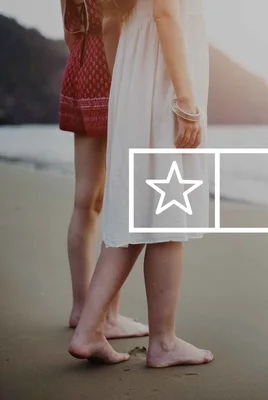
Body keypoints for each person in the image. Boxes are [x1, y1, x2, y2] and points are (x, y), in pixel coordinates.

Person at [69, 0, 214, 367]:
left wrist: (129, 88)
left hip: (138, 83)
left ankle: (88, 331)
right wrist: (184, 102)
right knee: (166, 213)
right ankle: (163, 342)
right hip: (162, 88)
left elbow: (109, 27)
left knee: (139, 211)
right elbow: (166, 14)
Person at [59, 0, 148, 339]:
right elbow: (112, 24)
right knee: (116, 197)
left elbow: (70, 30)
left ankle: (81, 307)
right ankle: (108, 317)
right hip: (108, 72)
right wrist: (117, 80)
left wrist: (85, 61)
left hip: (78, 69)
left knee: (86, 197)